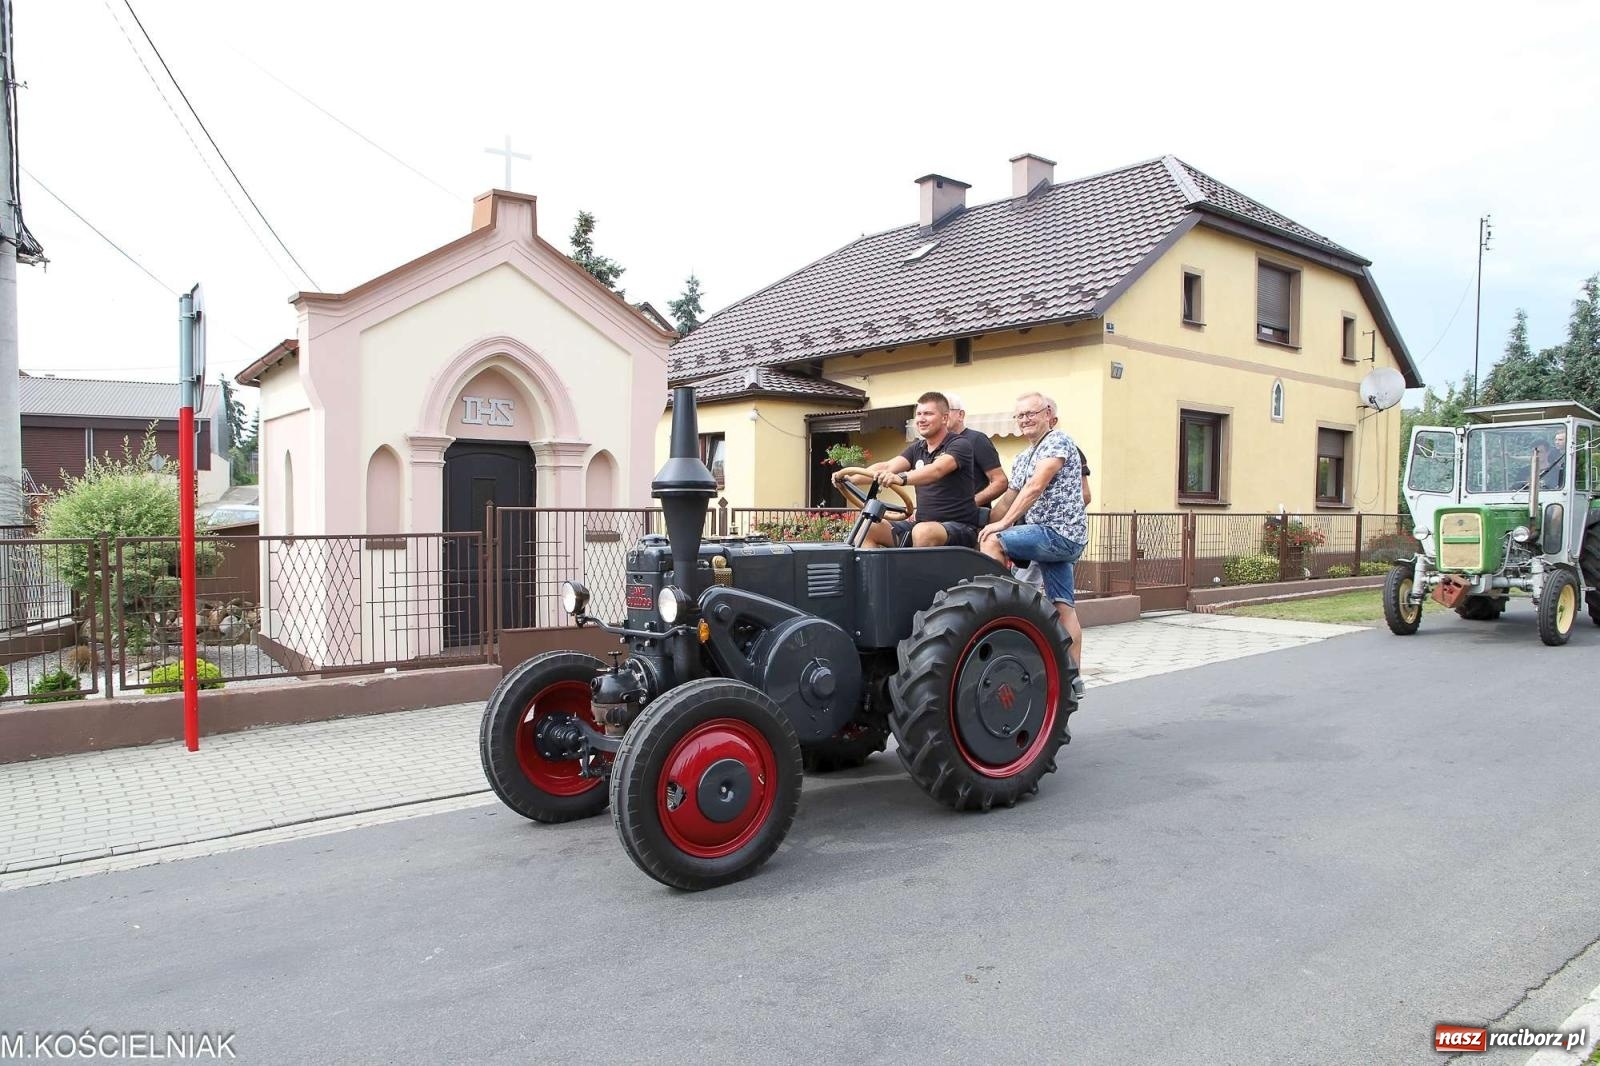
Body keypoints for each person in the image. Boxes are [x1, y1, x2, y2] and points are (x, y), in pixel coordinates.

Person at [978, 391, 1089, 697]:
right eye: (1021, 415)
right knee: (1063, 606)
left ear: (1048, 414)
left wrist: (999, 527)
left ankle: (1000, 612)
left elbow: (1036, 486)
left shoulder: (1058, 441)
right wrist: (980, 520)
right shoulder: (1023, 457)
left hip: (1059, 533)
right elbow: (1010, 498)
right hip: (1051, 539)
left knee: (995, 542)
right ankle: (1074, 680)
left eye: (1032, 413)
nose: (1026, 420)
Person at [833, 391, 979, 548]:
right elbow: (887, 466)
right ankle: (874, 573)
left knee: (923, 532)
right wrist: (851, 479)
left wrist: (901, 478)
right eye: (919, 414)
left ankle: (915, 573)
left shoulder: (959, 445)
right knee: (868, 527)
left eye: (928, 414)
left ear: (944, 418)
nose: (921, 419)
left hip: (960, 529)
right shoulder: (917, 448)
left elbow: (937, 470)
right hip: (921, 526)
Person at [943, 392, 1008, 508]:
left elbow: (1000, 481)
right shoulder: (933, 445)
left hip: (967, 519)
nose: (942, 415)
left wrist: (969, 504)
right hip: (936, 515)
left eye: (947, 410)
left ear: (961, 415)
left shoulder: (977, 440)